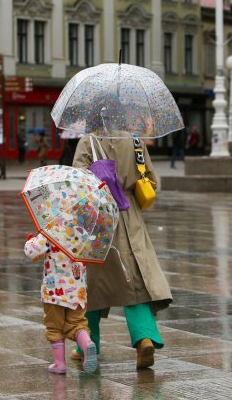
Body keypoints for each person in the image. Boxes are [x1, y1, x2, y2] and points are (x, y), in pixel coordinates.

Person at [71, 131, 170, 370]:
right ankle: (144, 337)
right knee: (134, 281)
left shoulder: (89, 140)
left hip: (98, 217)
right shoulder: (135, 141)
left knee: (93, 283)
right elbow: (151, 180)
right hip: (129, 216)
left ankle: (87, 343)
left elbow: (77, 181)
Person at [24, 232, 97, 374]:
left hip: (54, 293)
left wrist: (30, 242)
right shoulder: (83, 231)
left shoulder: (50, 229)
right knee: (77, 323)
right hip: (77, 291)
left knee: (54, 326)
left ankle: (59, 364)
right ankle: (87, 343)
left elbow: (33, 253)